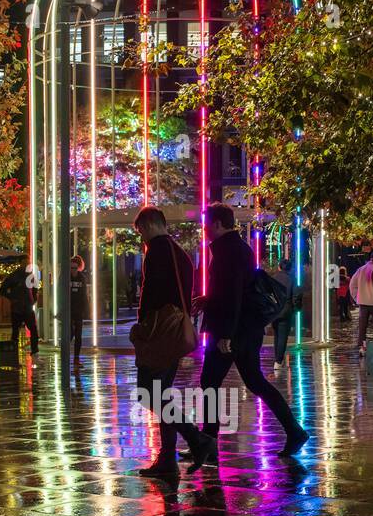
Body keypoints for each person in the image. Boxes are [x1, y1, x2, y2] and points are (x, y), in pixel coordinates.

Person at [194, 202, 308, 460]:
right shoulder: (235, 248)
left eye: (207, 224)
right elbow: (231, 292)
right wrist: (208, 299)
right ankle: (294, 431)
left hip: (234, 330)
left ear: (218, 224)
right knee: (252, 381)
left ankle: (208, 442)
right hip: (244, 328)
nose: (204, 229)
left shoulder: (229, 251)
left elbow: (234, 296)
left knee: (210, 381)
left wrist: (226, 335)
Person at [132, 206, 213, 483]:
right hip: (175, 331)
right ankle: (167, 457)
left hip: (158, 333)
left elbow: (151, 295)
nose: (141, 236)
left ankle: (194, 438)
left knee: (148, 392)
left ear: (150, 224)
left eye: (140, 230)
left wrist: (142, 329)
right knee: (160, 392)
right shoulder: (181, 253)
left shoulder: (156, 251)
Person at [0, 257, 39, 357]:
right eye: (25, 263)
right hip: (18, 308)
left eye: (28, 262)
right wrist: (13, 298)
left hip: (27, 307)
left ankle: (34, 350)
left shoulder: (30, 276)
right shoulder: (13, 276)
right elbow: (2, 289)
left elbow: (35, 289)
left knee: (33, 329)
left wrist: (33, 299)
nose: (27, 264)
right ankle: (14, 351)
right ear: (20, 263)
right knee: (16, 331)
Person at [349, 251, 373, 352]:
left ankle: (361, 345)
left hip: (363, 303)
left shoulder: (361, 269)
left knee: (362, 326)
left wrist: (357, 297)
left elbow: (352, 284)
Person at [271, 257, 295, 370]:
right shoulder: (291, 279)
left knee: (276, 335)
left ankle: (277, 359)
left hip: (274, 310)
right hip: (286, 311)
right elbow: (295, 296)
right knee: (282, 337)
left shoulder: (273, 278)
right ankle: (278, 361)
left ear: (279, 267)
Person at [70, 255, 88, 367]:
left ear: (78, 268)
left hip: (78, 309)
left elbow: (84, 294)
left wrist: (86, 309)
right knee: (69, 334)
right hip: (68, 309)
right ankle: (67, 355)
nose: (73, 270)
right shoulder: (65, 277)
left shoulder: (82, 278)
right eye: (71, 268)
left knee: (78, 335)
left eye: (75, 268)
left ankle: (76, 358)